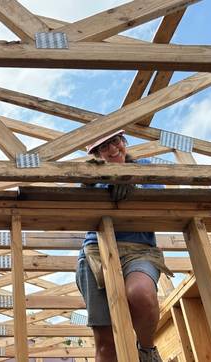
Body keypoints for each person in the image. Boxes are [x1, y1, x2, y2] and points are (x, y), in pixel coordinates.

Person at [76, 130, 171, 362]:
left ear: (123, 141)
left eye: (115, 141)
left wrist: (132, 182)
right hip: (97, 251)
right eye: (104, 147)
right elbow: (78, 201)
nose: (112, 149)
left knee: (140, 294)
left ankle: (146, 350)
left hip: (139, 249)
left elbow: (160, 194)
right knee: (107, 344)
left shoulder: (145, 167)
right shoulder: (94, 176)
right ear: (97, 154)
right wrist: (90, 182)